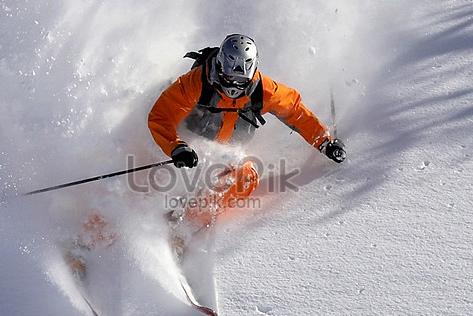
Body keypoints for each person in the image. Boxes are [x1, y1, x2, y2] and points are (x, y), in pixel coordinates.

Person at [148, 34, 345, 221]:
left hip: (224, 156)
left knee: (247, 176)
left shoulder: (263, 91)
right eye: (228, 75)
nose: (233, 84)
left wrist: (325, 143)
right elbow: (160, 117)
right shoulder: (195, 83)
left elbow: (295, 111)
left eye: (241, 80)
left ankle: (191, 222)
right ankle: (148, 210)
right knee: (164, 179)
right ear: (219, 64)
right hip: (184, 150)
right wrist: (176, 147)